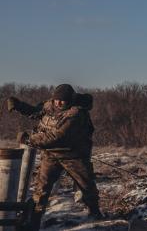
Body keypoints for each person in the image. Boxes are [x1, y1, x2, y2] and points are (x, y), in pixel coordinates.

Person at [7, 84, 102, 228]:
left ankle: (95, 215)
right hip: (51, 154)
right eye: (56, 99)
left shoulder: (76, 114)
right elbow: (36, 111)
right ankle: (34, 222)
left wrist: (28, 139)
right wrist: (19, 106)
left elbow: (56, 137)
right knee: (41, 189)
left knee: (87, 186)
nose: (58, 103)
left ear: (70, 100)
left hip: (73, 156)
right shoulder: (50, 105)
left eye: (62, 100)